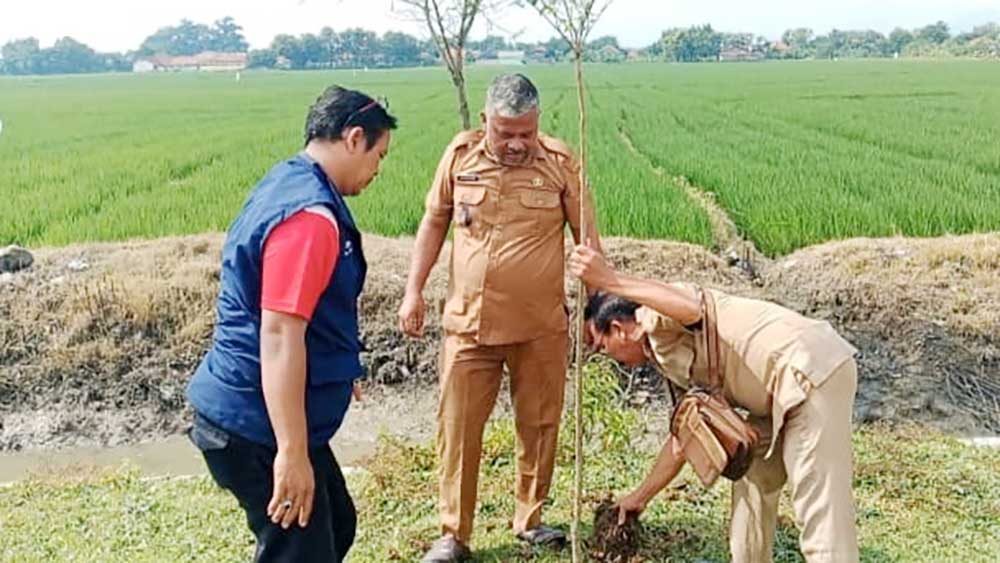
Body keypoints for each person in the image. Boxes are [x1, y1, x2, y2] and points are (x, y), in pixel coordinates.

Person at [186, 85, 396, 563]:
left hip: (260, 409)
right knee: (300, 548)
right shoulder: (309, 220)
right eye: (378, 156)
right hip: (252, 422)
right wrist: (291, 453)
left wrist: (336, 368)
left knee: (335, 521)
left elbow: (305, 314)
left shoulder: (290, 179)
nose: (377, 171)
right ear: (354, 138)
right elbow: (280, 334)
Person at [398, 73, 602, 562]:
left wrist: (595, 307)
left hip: (541, 328)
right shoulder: (460, 157)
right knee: (459, 428)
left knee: (539, 424)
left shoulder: (560, 163)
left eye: (525, 134)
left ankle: (530, 518)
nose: (516, 144)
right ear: (486, 121)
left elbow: (589, 242)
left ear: (538, 125)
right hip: (469, 327)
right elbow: (433, 222)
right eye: (505, 132)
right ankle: (453, 534)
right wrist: (413, 291)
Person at [568, 244, 860, 563]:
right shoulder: (663, 356)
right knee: (750, 472)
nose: (605, 354)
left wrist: (610, 280)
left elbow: (692, 307)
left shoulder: (653, 316)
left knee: (820, 509)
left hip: (809, 372)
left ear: (618, 329)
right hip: (777, 397)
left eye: (600, 345)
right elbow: (683, 439)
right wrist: (638, 499)